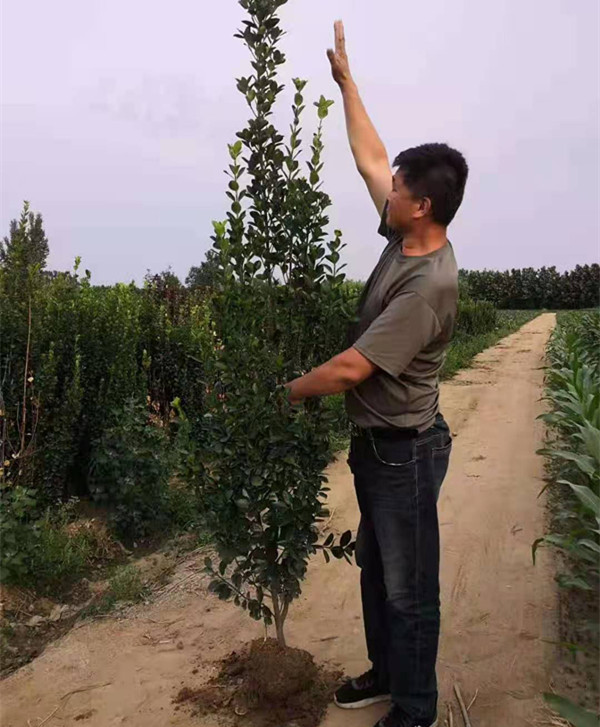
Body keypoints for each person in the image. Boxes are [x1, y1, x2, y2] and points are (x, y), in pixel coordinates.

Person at [284, 20, 468, 727]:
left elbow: (351, 369)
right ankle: (385, 673)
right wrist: (346, 82)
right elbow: (370, 157)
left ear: (421, 205)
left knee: (408, 587)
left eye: (396, 189)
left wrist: (288, 393)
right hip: (379, 444)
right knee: (377, 569)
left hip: (406, 451)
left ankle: (415, 710)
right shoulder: (406, 234)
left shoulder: (428, 285)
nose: (384, 191)